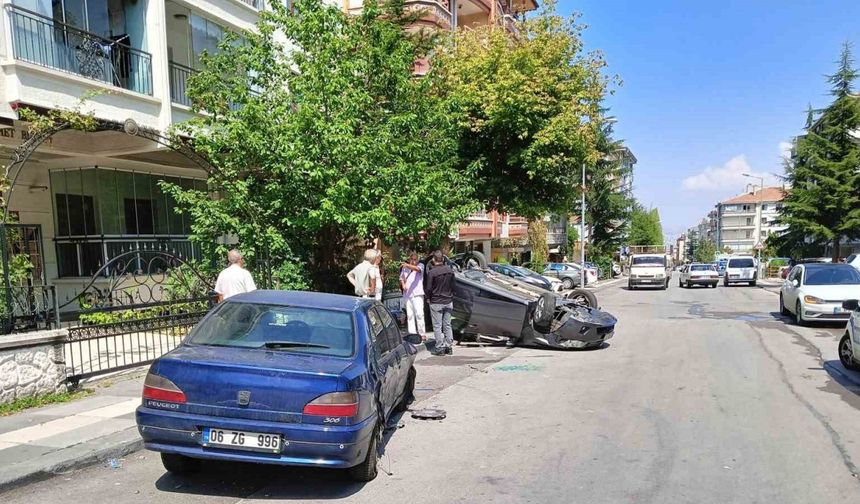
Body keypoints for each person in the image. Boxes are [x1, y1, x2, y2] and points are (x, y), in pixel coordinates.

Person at [426, 250, 455, 356]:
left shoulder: (432, 272)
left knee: (437, 326)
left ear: (433, 259)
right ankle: (449, 346)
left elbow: (428, 288)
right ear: (443, 259)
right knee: (447, 324)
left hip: (436, 301)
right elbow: (454, 286)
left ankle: (440, 347)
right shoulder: (450, 271)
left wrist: (428, 298)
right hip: (448, 300)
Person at [400, 251, 426, 338]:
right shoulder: (405, 268)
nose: (414, 261)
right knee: (410, 315)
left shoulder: (420, 266)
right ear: (409, 259)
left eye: (415, 259)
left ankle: (422, 333)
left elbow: (418, 269)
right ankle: (412, 332)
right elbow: (401, 278)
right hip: (408, 294)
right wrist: (403, 284)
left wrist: (407, 265)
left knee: (419, 314)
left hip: (417, 294)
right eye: (412, 259)